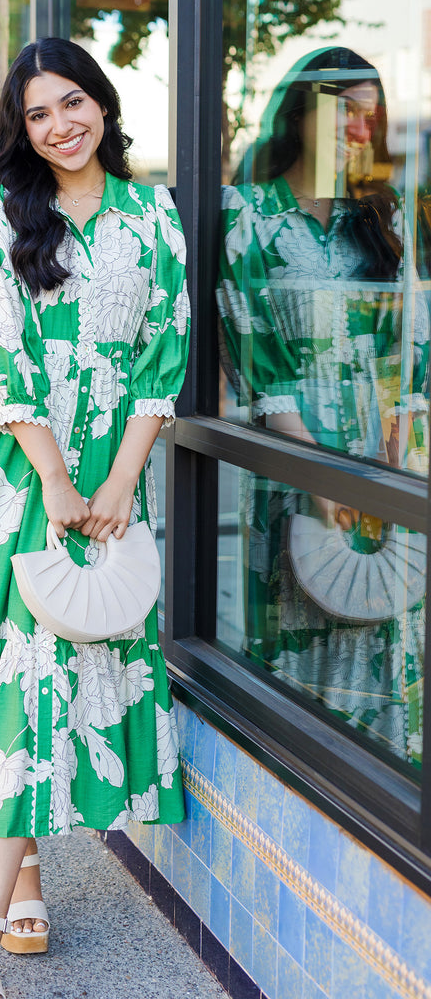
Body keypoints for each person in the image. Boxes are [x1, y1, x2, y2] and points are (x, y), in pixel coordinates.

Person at [0, 37, 190, 999]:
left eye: (73, 103)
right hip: (9, 464)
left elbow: (163, 355)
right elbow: (0, 347)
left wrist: (117, 485)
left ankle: (5, 891)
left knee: (59, 658)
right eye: (38, 114)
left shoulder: (153, 213)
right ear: (21, 130)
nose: (60, 125)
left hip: (108, 457)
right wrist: (58, 481)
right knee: (20, 667)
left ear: (103, 103)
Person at [217, 46, 428, 769]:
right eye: (348, 113)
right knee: (304, 609)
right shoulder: (246, 214)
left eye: (373, 119)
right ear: (302, 112)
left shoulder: (386, 215)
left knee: (379, 613)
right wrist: (314, 471)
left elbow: (411, 344)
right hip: (291, 455)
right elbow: (248, 342)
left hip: (379, 456)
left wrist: (394, 456)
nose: (363, 134)